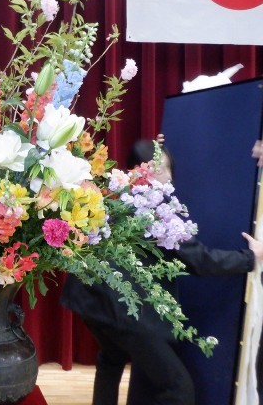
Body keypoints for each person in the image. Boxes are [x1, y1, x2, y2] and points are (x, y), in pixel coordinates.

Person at [60, 138, 263, 405]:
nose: (167, 176)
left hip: (92, 301)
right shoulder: (156, 209)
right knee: (178, 389)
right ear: (140, 171)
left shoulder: (118, 194)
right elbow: (200, 259)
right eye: (159, 169)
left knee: (111, 360)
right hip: (122, 309)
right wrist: (250, 257)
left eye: (167, 167)